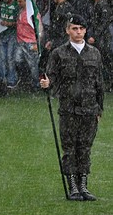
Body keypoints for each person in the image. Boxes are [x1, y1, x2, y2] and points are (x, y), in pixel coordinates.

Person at [40, 15, 103, 201]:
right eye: (74, 28)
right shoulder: (58, 53)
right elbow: (51, 77)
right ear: (68, 30)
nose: (78, 32)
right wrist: (47, 83)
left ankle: (83, 185)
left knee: (85, 148)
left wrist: (99, 108)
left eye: (81, 29)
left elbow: (99, 82)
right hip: (68, 108)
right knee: (69, 148)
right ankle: (73, 186)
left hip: (90, 109)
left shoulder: (94, 53)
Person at [14, 0, 42, 89]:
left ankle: (36, 84)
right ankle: (25, 79)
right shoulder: (21, 11)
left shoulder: (33, 13)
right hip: (20, 41)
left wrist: (37, 42)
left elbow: (39, 28)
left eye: (20, 1)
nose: (19, 3)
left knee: (33, 65)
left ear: (26, 1)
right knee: (17, 60)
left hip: (31, 42)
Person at [85, 0, 112, 88]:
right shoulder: (97, 3)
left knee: (105, 60)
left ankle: (107, 82)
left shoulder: (103, 4)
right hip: (100, 36)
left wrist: (95, 36)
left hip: (104, 37)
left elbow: (104, 23)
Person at [0, 0, 19, 92]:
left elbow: (20, 23)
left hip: (11, 35)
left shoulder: (16, 6)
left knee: (10, 58)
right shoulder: (1, 5)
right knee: (2, 58)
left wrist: (9, 23)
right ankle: (2, 79)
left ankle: (12, 80)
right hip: (2, 34)